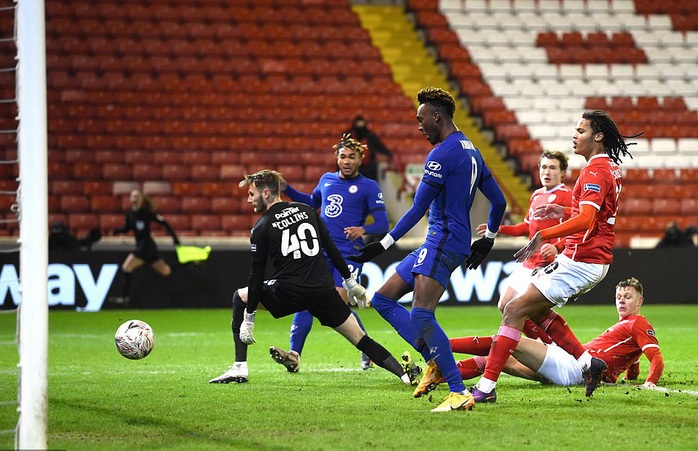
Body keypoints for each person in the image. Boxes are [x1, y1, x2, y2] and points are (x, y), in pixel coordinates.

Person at [348, 87, 507, 412]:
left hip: (443, 240)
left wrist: (383, 244)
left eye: (421, 120)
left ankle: (459, 390)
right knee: (382, 298)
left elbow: (418, 208)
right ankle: (434, 360)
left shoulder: (441, 154)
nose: (419, 127)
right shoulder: (471, 150)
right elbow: (499, 201)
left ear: (437, 116)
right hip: (450, 240)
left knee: (421, 313)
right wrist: (488, 237)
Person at [470, 110, 643, 403]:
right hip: (587, 258)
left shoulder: (595, 171)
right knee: (530, 310)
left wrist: (546, 236)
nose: (575, 136)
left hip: (582, 259)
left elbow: (586, 219)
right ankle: (589, 363)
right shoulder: (609, 168)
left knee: (513, 310)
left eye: (581, 131)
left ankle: (485, 389)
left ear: (598, 137)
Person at [209, 169, 412, 385]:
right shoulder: (307, 211)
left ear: (266, 193)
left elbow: (256, 276)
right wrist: (350, 282)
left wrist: (249, 318)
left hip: (288, 292)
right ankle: (405, 375)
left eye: (251, 194)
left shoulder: (261, 226)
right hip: (323, 292)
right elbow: (331, 248)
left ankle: (240, 367)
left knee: (239, 296)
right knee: (361, 339)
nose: (249, 199)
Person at [416, 278, 664, 395]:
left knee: (501, 342)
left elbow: (656, 357)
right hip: (568, 363)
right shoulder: (627, 327)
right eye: (619, 297)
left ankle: (441, 345)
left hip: (573, 368)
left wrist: (650, 382)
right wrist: (631, 376)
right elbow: (634, 356)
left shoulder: (638, 323)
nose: (621, 301)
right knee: (498, 358)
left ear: (640, 300)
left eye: (628, 297)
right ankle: (441, 374)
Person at [269, 133, 391, 373]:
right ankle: (294, 354)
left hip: (347, 254)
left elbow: (383, 223)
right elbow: (312, 202)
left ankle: (367, 347)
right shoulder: (326, 180)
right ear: (336, 158)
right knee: (308, 299)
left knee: (336, 303)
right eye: (343, 156)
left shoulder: (369, 186)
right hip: (320, 251)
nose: (346, 161)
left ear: (360, 160)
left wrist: (363, 229)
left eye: (352, 157)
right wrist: (287, 189)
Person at [475, 150, 573, 344]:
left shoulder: (567, 196)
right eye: (543, 167)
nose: (547, 172)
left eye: (553, 168)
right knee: (504, 304)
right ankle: (542, 344)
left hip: (547, 265)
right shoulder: (536, 195)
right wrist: (497, 228)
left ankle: (550, 347)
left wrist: (558, 247)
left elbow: (578, 231)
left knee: (528, 309)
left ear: (562, 173)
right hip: (529, 262)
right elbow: (527, 226)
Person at [111, 189, 180, 304]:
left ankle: (124, 298)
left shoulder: (147, 213)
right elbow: (127, 228)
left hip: (146, 246)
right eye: (133, 196)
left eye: (137, 196)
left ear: (142, 199)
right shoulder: (130, 214)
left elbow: (164, 223)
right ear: (130, 199)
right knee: (166, 271)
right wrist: (117, 231)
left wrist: (175, 238)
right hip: (145, 247)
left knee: (126, 267)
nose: (135, 198)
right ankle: (187, 264)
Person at [345, 115, 393, 181]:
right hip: (353, 167)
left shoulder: (370, 136)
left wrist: (388, 154)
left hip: (369, 168)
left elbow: (379, 146)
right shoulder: (349, 136)